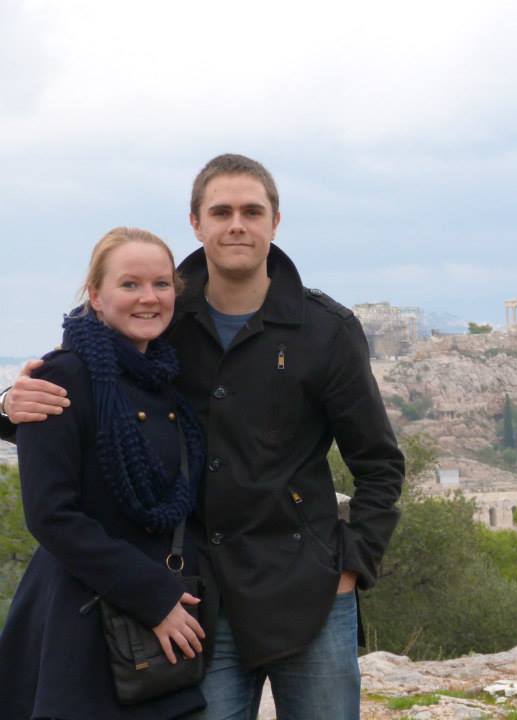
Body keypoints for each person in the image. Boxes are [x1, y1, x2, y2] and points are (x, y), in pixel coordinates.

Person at [1, 154, 406, 719]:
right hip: (199, 596)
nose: (236, 224)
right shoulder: (164, 315)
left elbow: (380, 464)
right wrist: (10, 404)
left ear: (275, 222)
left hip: (310, 589)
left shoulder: (325, 330)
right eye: (221, 211)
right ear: (196, 223)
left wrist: (352, 565)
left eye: (250, 211)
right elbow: (92, 389)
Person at [0, 227, 209, 719]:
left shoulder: (167, 378)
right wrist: (152, 598)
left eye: (161, 284)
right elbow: (51, 516)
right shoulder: (61, 376)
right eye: (130, 284)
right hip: (80, 623)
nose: (148, 298)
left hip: (160, 631)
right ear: (95, 295)